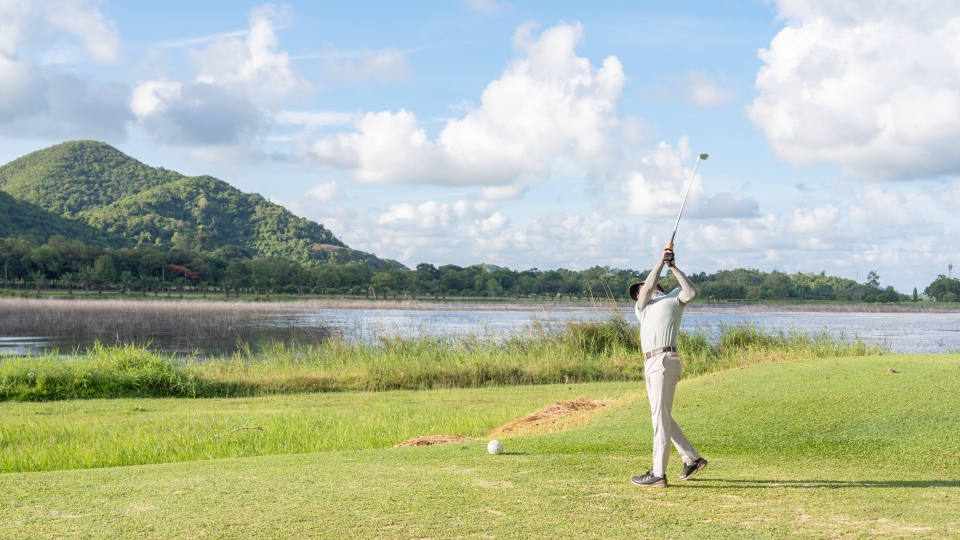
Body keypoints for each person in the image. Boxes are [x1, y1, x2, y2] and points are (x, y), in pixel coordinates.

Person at [628, 241, 707, 488]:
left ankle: (658, 474)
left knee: (659, 419)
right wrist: (660, 262)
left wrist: (672, 267)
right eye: (638, 291)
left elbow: (691, 293)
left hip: (664, 359)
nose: (638, 292)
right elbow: (649, 284)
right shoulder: (642, 307)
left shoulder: (673, 298)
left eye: (638, 288)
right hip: (650, 362)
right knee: (661, 417)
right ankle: (692, 459)